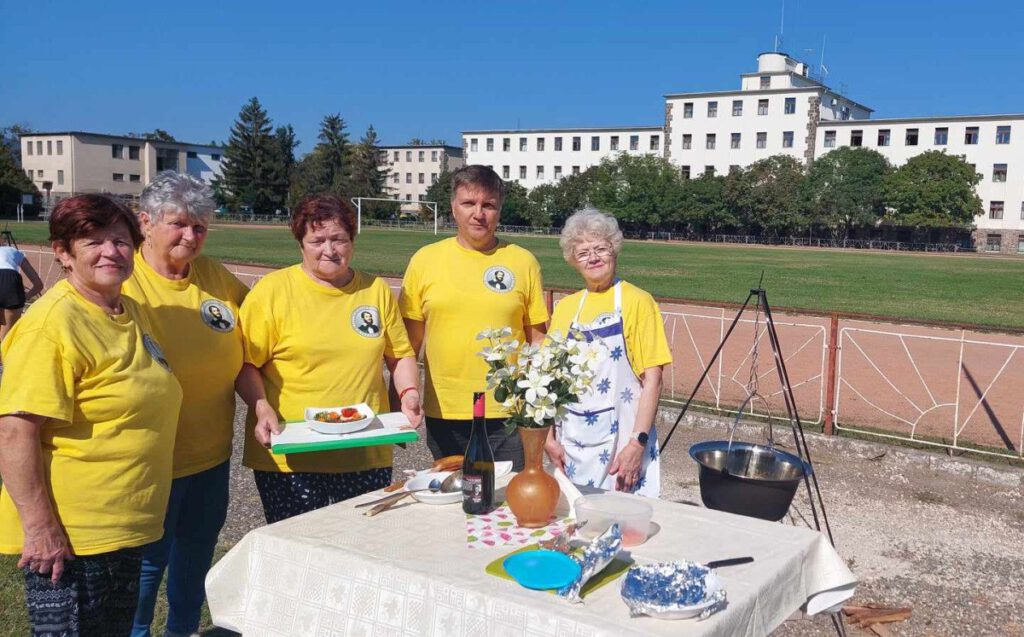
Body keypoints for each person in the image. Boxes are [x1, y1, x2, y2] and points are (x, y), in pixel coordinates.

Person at [0, 194, 183, 636]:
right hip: (73, 537)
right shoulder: (53, 324)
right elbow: (14, 433)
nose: (110, 251)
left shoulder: (127, 310)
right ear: (63, 252)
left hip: (122, 526)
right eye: (93, 242)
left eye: (120, 240)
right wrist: (40, 529)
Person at [121, 171, 265, 637]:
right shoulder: (123, 280)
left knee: (195, 560)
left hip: (210, 456)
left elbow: (257, 336)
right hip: (150, 460)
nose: (190, 235)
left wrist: (263, 402)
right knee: (147, 569)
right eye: (179, 224)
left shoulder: (213, 276)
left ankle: (182, 631)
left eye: (200, 226)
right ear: (145, 223)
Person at [243, 195, 423, 523]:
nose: (329, 249)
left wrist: (409, 393)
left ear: (352, 240)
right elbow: (246, 364)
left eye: (339, 239)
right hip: (291, 454)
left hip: (364, 451)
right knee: (296, 547)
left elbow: (400, 355)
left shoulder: (375, 290)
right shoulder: (271, 292)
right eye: (317, 240)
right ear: (300, 243)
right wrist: (261, 407)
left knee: (359, 544)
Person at [400, 165, 549, 470]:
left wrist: (541, 405)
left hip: (508, 411)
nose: (478, 214)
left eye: (488, 205)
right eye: (469, 203)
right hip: (446, 408)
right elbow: (407, 345)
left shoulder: (523, 262)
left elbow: (537, 339)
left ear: (499, 209)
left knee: (507, 495)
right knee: (454, 493)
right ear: (453, 207)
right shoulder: (424, 260)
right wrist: (401, 398)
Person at [545, 208, 672, 497]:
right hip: (571, 444)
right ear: (573, 260)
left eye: (600, 248)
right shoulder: (566, 308)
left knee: (622, 519)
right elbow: (549, 379)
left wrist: (637, 444)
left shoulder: (638, 301)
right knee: (574, 515)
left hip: (622, 445)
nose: (592, 258)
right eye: (583, 253)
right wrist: (547, 438)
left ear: (614, 249)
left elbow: (653, 380)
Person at [0, 240, 44, 345]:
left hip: (9, 283)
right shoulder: (13, 251)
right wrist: (25, 297)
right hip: (11, 286)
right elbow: (38, 284)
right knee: (7, 338)